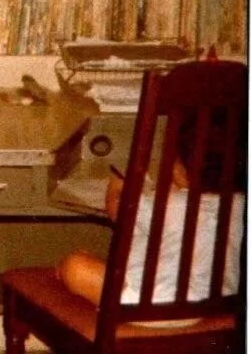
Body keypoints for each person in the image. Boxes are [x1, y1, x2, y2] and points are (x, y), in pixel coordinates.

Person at [56, 108, 245, 317]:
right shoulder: (240, 204)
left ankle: (62, 271)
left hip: (154, 310)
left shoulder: (167, 203)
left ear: (181, 170)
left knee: (76, 265)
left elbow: (118, 211)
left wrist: (117, 185)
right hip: (219, 310)